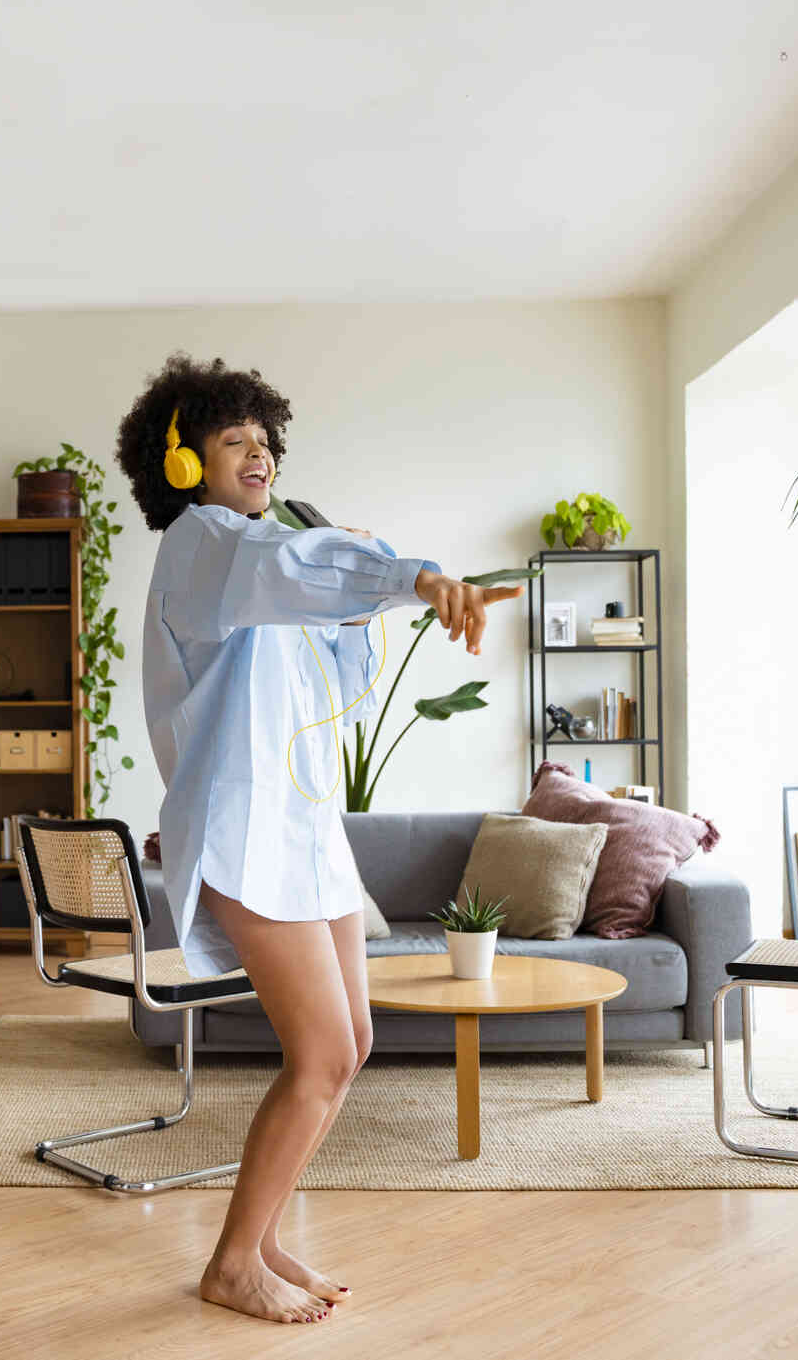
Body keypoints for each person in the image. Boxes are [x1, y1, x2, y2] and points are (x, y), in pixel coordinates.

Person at [115, 353, 522, 1325]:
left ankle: (256, 1238)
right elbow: (285, 567)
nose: (257, 456)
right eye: (231, 440)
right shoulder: (204, 546)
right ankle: (229, 1264)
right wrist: (407, 573)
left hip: (303, 832)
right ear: (181, 465)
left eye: (264, 441)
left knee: (351, 1043)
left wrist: (384, 583)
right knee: (320, 1053)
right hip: (246, 830)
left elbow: (326, 672)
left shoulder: (255, 566)